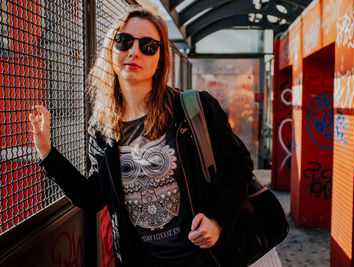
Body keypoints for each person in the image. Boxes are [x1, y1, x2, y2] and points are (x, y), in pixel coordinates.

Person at [29, 5, 253, 267]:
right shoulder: (101, 128)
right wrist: (46, 151)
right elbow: (92, 197)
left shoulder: (194, 109)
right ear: (111, 51)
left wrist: (217, 221)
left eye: (148, 46)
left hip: (203, 260)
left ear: (160, 59)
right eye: (124, 42)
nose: (134, 51)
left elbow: (239, 167)